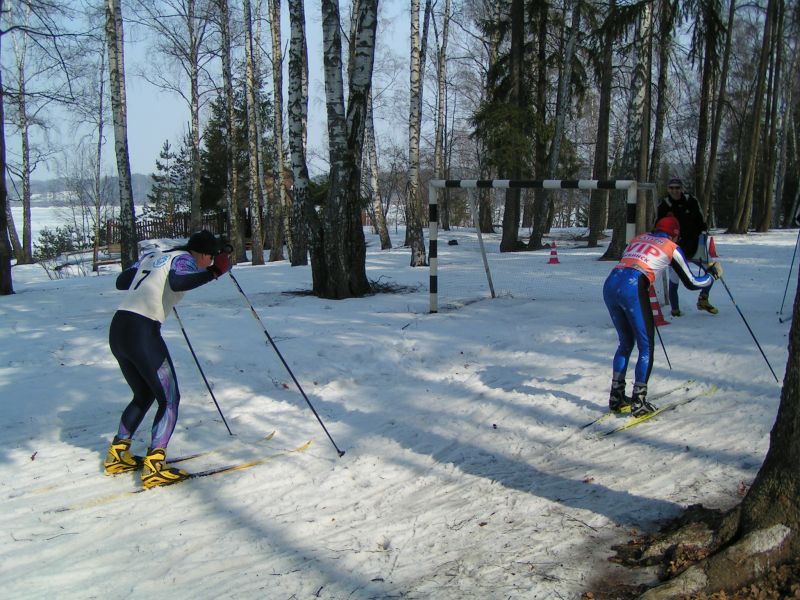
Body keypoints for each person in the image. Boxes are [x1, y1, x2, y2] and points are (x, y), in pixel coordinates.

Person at [103, 230, 232, 488]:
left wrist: (155, 287)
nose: (210, 261)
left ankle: (117, 455)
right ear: (203, 254)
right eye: (212, 257)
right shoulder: (185, 259)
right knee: (170, 398)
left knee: (144, 394)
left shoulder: (155, 255)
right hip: (142, 332)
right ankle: (154, 467)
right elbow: (178, 282)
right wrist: (214, 273)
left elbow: (122, 281)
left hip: (119, 329)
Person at [603, 216, 722, 416]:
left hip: (610, 284)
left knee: (625, 343)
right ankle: (639, 401)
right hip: (632, 287)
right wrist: (712, 276)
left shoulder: (638, 238)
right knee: (646, 346)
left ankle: (616, 396)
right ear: (675, 234)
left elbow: (628, 261)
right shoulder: (671, 246)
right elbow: (691, 282)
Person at [656, 176, 718, 316]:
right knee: (674, 280)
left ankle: (703, 299)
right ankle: (675, 310)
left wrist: (703, 232)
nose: (674, 191)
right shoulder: (664, 205)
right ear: (668, 189)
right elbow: (658, 225)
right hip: (676, 249)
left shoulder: (691, 201)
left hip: (695, 246)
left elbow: (701, 220)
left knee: (713, 271)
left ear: (681, 189)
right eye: (671, 188)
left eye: (677, 188)